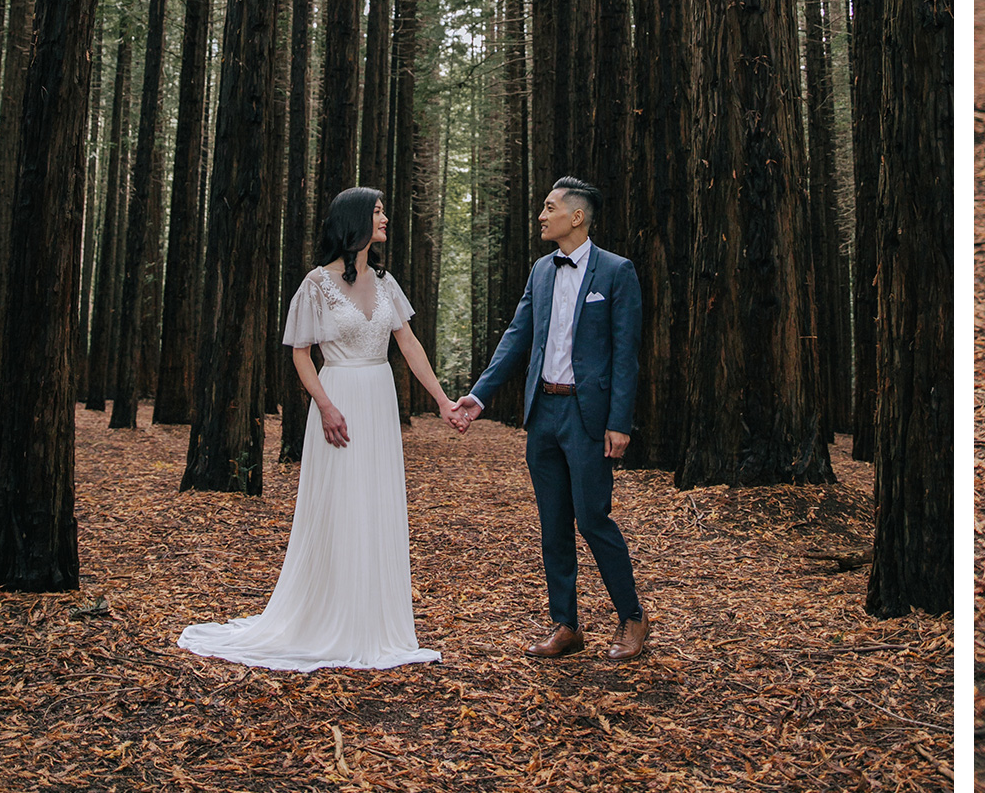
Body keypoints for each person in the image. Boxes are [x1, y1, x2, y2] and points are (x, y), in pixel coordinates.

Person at [178, 188, 463, 670]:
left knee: (375, 503)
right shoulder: (316, 283)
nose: (385, 217)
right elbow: (300, 353)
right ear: (354, 221)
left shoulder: (387, 282)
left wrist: (442, 400)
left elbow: (409, 344)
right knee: (341, 505)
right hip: (339, 400)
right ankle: (331, 618)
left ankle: (374, 622)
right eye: (377, 211)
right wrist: (326, 406)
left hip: (378, 397)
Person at [453, 176, 648, 662]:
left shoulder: (617, 272)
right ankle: (566, 625)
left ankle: (633, 618)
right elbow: (517, 337)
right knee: (553, 523)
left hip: (588, 416)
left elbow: (626, 354)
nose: (542, 215)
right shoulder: (541, 271)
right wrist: (478, 397)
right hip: (543, 412)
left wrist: (619, 422)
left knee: (593, 518)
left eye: (550, 207)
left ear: (576, 216)